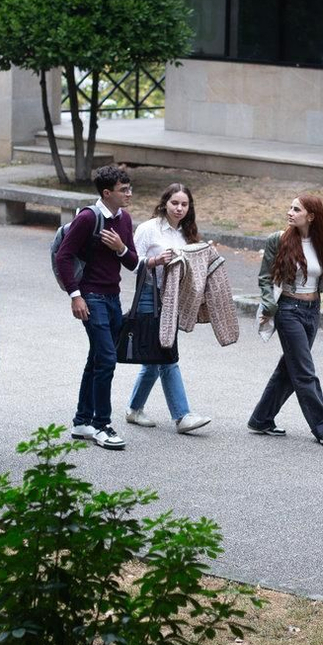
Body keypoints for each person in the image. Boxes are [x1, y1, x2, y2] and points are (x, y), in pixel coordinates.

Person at [55, 165, 141, 451]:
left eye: (129, 188)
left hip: (113, 297)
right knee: (106, 359)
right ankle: (102, 424)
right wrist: (75, 295)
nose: (129, 194)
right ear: (106, 193)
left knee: (97, 359)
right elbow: (64, 256)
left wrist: (120, 247)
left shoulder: (124, 219)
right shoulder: (88, 218)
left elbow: (132, 262)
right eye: (123, 190)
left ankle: (82, 422)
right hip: (91, 297)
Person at [247, 194, 323, 447]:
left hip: (313, 309)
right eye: (290, 208)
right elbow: (265, 277)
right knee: (304, 370)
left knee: (290, 368)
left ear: (311, 216)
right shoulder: (278, 240)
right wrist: (269, 304)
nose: (290, 212)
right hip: (288, 309)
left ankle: (261, 419)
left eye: (296, 209)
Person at [124, 184, 212, 434]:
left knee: (154, 359)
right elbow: (131, 263)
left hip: (173, 298)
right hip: (150, 295)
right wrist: (155, 261)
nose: (179, 208)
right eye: (175, 203)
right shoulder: (149, 229)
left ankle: (134, 409)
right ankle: (182, 415)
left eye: (184, 204)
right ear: (164, 203)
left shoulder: (187, 233)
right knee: (166, 353)